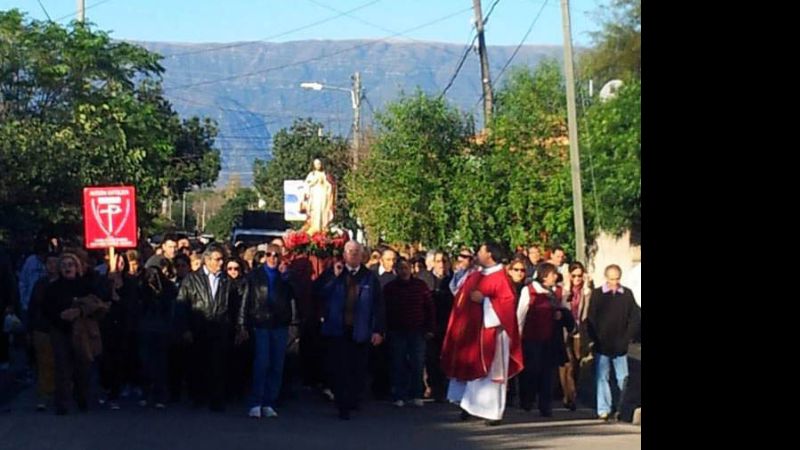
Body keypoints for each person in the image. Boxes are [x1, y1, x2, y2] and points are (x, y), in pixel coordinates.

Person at [441, 243, 523, 425]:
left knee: (491, 373)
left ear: (490, 255)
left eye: (481, 251)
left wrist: (485, 300)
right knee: (472, 369)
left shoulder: (502, 278)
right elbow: (459, 293)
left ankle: (493, 412)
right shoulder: (476, 275)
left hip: (493, 333)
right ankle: (469, 405)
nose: (477, 254)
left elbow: (507, 305)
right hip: (472, 333)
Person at [314, 241, 385, 420]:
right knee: (339, 368)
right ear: (344, 255)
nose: (353, 255)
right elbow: (319, 293)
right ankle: (342, 404)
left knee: (358, 368)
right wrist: (334, 277)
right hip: (338, 329)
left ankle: (354, 399)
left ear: (362, 256)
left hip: (360, 329)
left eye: (356, 252)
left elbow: (378, 306)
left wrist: (378, 330)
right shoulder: (334, 273)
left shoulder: (369, 277)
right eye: (350, 252)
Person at [303, 158, 336, 234]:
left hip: (323, 196)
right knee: (315, 212)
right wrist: (314, 182)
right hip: (314, 196)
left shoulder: (324, 174)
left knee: (323, 211)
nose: (318, 165)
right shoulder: (312, 174)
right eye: (316, 164)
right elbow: (307, 185)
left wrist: (328, 186)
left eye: (319, 164)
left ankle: (323, 227)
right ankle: (314, 227)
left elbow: (329, 185)